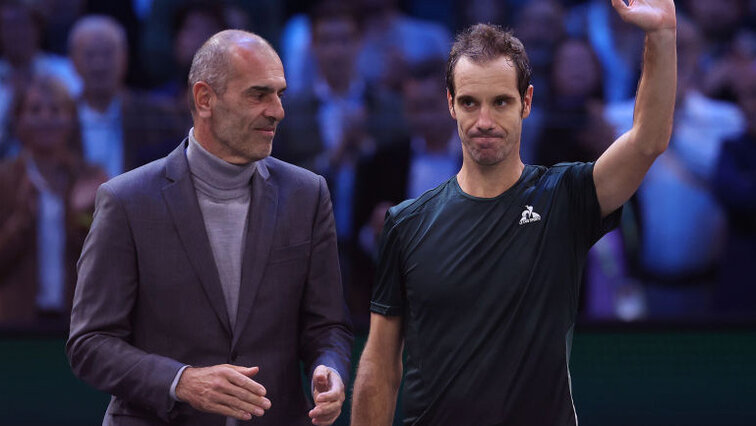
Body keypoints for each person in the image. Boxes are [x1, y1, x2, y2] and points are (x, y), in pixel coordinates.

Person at [351, 0, 677, 424]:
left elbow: (648, 140)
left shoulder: (565, 196)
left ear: (526, 102)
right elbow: (379, 367)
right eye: (470, 103)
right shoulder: (405, 223)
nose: (484, 120)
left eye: (500, 102)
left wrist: (662, 36)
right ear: (450, 104)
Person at [67, 30, 353, 426]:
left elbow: (328, 325)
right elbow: (90, 344)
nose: (277, 111)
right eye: (258, 95)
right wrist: (181, 382)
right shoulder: (125, 201)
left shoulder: (308, 194)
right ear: (205, 99)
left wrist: (330, 368)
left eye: (279, 94)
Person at [0, 75, 105, 327]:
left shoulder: (93, 179)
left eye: (56, 110)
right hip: (16, 326)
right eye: (35, 110)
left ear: (70, 119)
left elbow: (109, 264)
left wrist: (79, 217)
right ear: (19, 120)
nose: (46, 118)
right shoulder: (4, 179)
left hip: (78, 323)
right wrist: (21, 221)